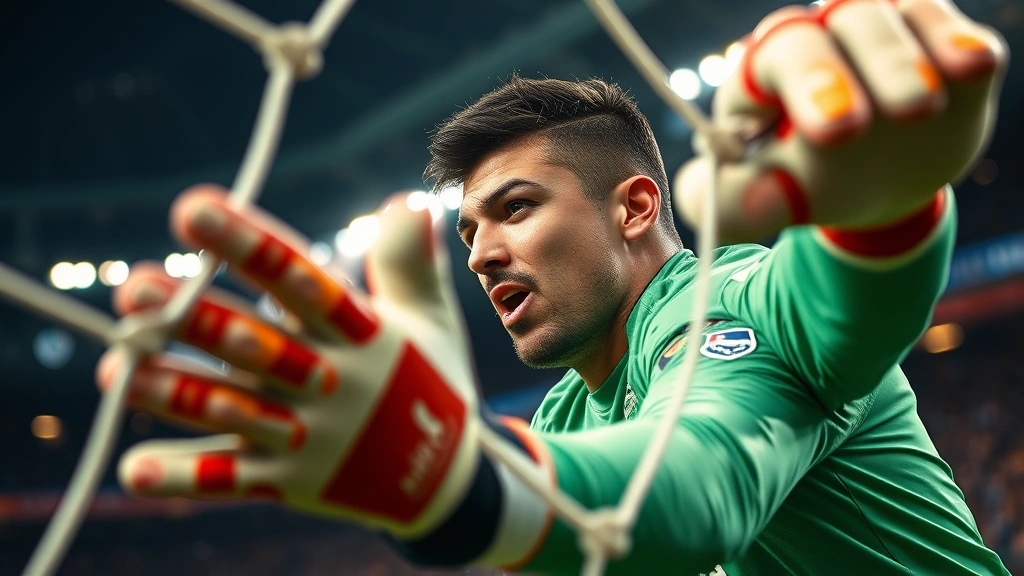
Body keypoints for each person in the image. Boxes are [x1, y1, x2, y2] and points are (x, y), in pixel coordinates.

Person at [95, 1, 1010, 574]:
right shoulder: (568, 417)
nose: (482, 252)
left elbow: (696, 485)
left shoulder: (733, 303)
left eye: (517, 207)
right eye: (468, 229)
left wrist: (889, 215)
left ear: (635, 206)